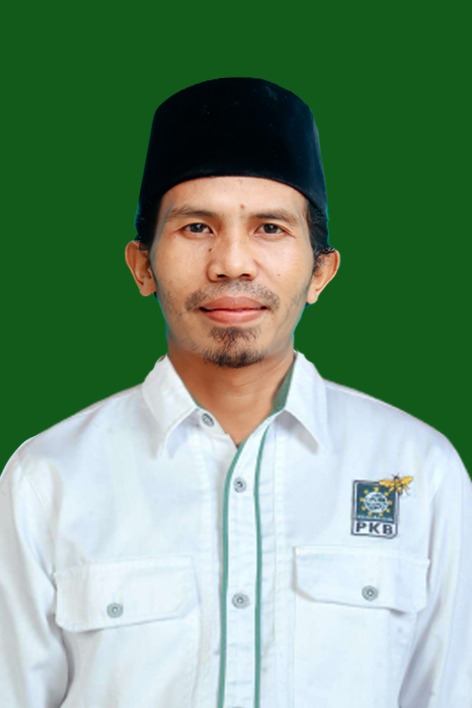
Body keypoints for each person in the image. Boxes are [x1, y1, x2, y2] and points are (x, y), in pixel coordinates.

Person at [0, 78, 470, 708]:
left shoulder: (420, 471)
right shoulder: (47, 480)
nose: (232, 263)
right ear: (142, 266)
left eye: (270, 228)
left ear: (320, 272)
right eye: (197, 227)